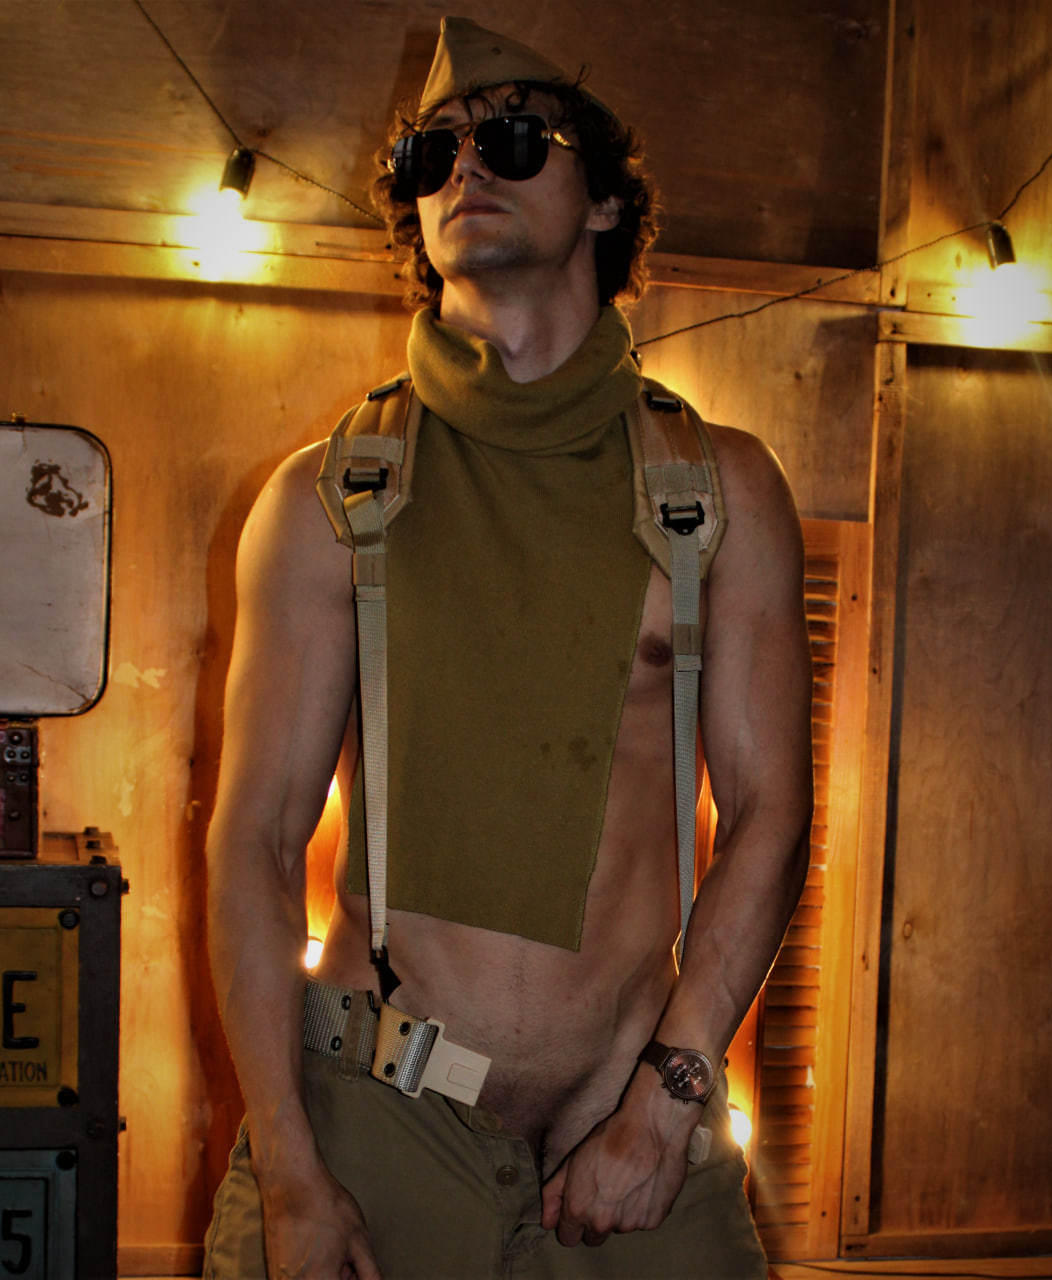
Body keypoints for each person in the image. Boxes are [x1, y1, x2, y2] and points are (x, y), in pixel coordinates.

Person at [204, 15, 813, 1280]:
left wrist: (666, 1105)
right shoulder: (330, 499)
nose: (467, 168)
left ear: (604, 199)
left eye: (516, 139)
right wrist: (293, 1170)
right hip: (380, 1124)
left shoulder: (717, 491)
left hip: (632, 1121)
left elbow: (767, 814)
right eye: (432, 154)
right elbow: (253, 838)